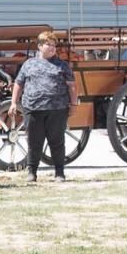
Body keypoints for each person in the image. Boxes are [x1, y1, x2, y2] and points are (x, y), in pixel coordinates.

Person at [9, 32, 78, 183]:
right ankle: (32, 172)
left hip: (57, 109)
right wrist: (14, 103)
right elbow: (18, 83)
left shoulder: (62, 65)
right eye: (49, 44)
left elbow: (72, 86)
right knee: (34, 142)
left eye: (54, 45)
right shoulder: (29, 64)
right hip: (33, 109)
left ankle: (59, 173)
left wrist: (74, 104)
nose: (53, 48)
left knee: (57, 142)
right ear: (40, 46)